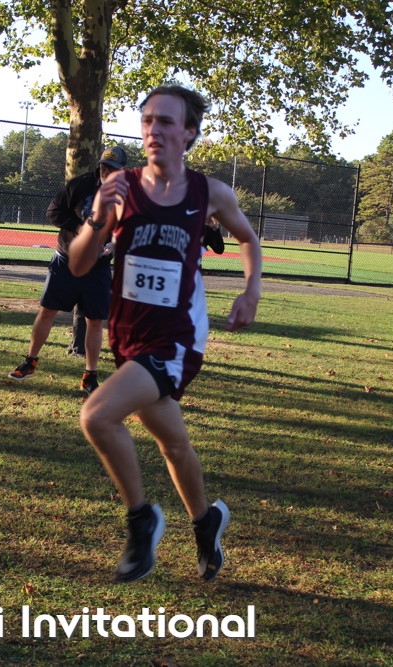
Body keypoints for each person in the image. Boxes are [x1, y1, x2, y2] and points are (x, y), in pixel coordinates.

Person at [68, 85, 262, 583]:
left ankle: (142, 520)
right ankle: (206, 521)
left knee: (97, 416)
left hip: (177, 338)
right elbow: (80, 264)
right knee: (173, 444)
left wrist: (251, 291)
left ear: (189, 133)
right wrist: (96, 217)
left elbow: (247, 238)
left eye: (166, 121)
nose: (153, 129)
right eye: (147, 120)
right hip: (129, 336)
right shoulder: (120, 188)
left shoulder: (210, 192)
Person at [8, 146, 129, 395]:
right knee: (47, 311)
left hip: (98, 267)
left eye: (112, 169)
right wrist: (78, 226)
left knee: (95, 321)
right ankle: (30, 362)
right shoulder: (80, 185)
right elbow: (53, 212)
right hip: (66, 260)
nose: (106, 172)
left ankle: (89, 376)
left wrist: (115, 245)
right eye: (104, 167)